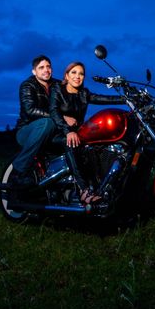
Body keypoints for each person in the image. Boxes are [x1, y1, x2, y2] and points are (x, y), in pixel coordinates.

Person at [50, 61, 124, 204]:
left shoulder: (84, 93)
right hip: (58, 132)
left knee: (97, 144)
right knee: (71, 142)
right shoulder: (57, 89)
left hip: (77, 134)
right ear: (66, 75)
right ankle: (84, 190)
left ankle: (99, 186)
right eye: (74, 72)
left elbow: (103, 98)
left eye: (81, 74)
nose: (78, 76)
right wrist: (67, 131)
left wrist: (125, 100)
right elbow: (54, 111)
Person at [12, 54, 57, 188]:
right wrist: (57, 117)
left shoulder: (57, 85)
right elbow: (30, 110)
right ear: (34, 71)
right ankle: (19, 170)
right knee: (47, 122)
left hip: (51, 130)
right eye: (41, 67)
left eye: (48, 67)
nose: (46, 70)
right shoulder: (27, 85)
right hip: (27, 131)